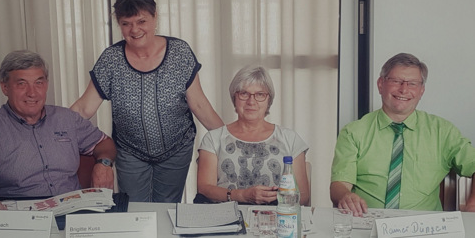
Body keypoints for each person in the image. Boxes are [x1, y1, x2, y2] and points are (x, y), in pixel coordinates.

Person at [70, 0, 224, 203]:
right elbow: (84, 108)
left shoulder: (179, 52)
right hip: (130, 152)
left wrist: (228, 140)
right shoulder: (111, 60)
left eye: (141, 21)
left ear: (155, 18)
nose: (134, 30)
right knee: (134, 210)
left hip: (176, 148)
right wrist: (52, 131)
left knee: (167, 209)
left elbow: (199, 105)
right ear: (119, 25)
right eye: (126, 23)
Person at [0, 50, 116, 210]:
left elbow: (104, 143)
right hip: (18, 214)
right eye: (21, 84)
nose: (32, 93)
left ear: (46, 85)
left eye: (39, 83)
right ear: (5, 87)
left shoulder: (67, 118)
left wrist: (104, 163)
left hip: (73, 210)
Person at [330, 53, 475, 216]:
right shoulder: (353, 132)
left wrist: (472, 206)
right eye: (396, 81)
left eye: (412, 83)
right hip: (367, 222)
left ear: (421, 91)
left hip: (424, 228)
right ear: (380, 84)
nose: (403, 89)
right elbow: (339, 184)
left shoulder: (443, 131)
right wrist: (345, 196)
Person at [196, 65, 310, 205]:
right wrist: (241, 195)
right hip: (224, 222)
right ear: (234, 98)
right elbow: (204, 189)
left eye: (260, 95)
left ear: (269, 100)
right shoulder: (213, 139)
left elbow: (303, 197)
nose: (251, 101)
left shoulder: (290, 139)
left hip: (278, 220)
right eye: (244, 93)